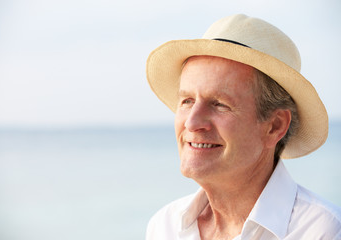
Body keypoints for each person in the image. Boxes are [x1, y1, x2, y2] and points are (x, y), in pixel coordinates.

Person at [145, 14, 341, 240]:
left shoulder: (323, 231)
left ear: (275, 126)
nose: (192, 122)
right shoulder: (165, 225)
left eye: (219, 104)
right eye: (187, 101)